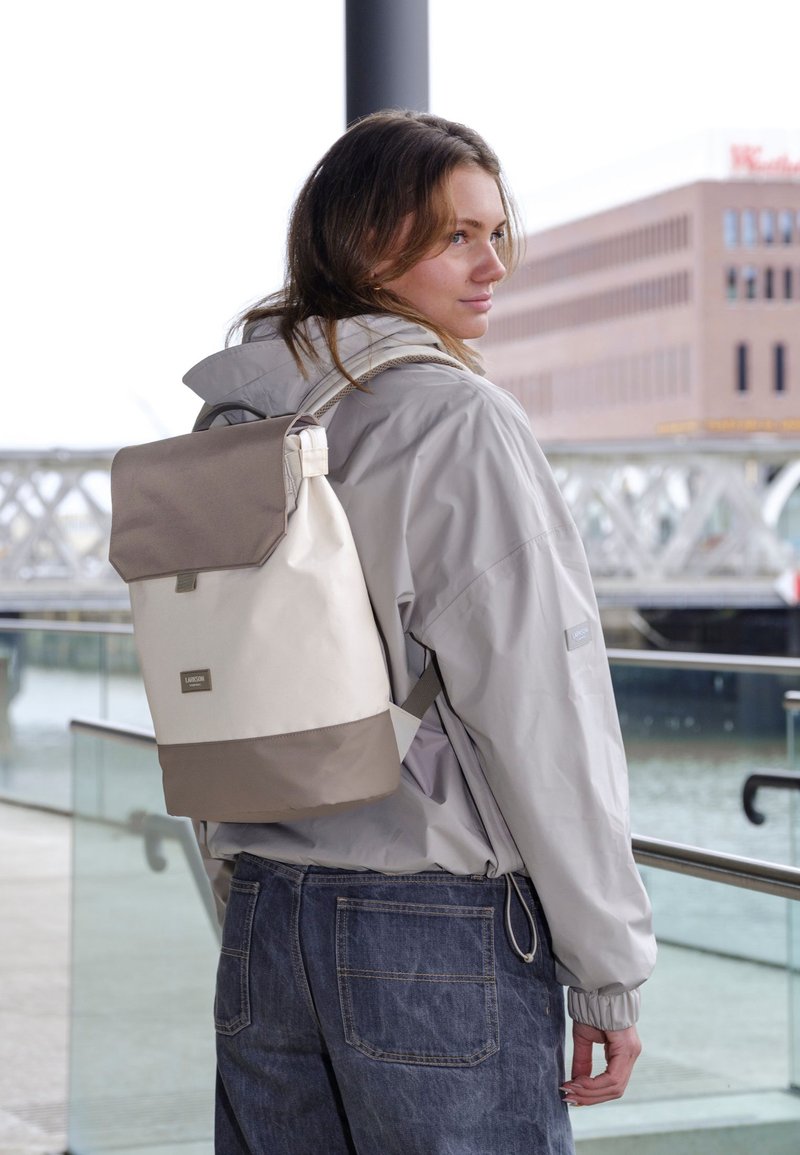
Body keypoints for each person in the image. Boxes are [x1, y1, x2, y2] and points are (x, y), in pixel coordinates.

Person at [184, 110, 656, 1155]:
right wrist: (607, 971)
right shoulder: (455, 420)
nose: (493, 266)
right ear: (365, 243)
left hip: (265, 918)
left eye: (497, 233)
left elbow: (207, 681)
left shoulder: (240, 424)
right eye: (456, 236)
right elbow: (540, 709)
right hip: (431, 932)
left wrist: (245, 890)